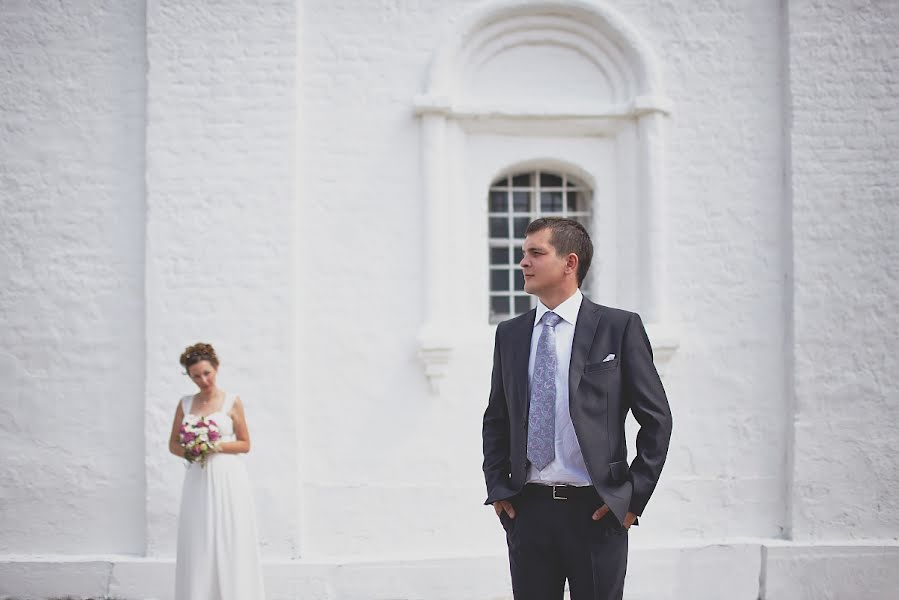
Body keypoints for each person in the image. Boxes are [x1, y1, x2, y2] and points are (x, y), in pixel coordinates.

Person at [482, 218, 672, 600]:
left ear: (570, 263)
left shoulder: (619, 327)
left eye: (536, 253)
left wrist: (631, 499)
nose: (523, 262)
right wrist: (499, 488)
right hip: (528, 511)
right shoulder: (511, 334)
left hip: (596, 512)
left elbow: (656, 419)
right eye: (524, 254)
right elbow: (497, 417)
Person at [168, 342, 266, 600]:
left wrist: (213, 445)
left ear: (216, 368)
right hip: (197, 479)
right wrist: (192, 449)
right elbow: (173, 445)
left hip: (228, 480)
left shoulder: (232, 402)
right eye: (196, 376)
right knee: (200, 538)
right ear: (189, 377)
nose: (203, 380)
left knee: (228, 537)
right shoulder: (185, 404)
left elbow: (245, 444)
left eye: (206, 373)